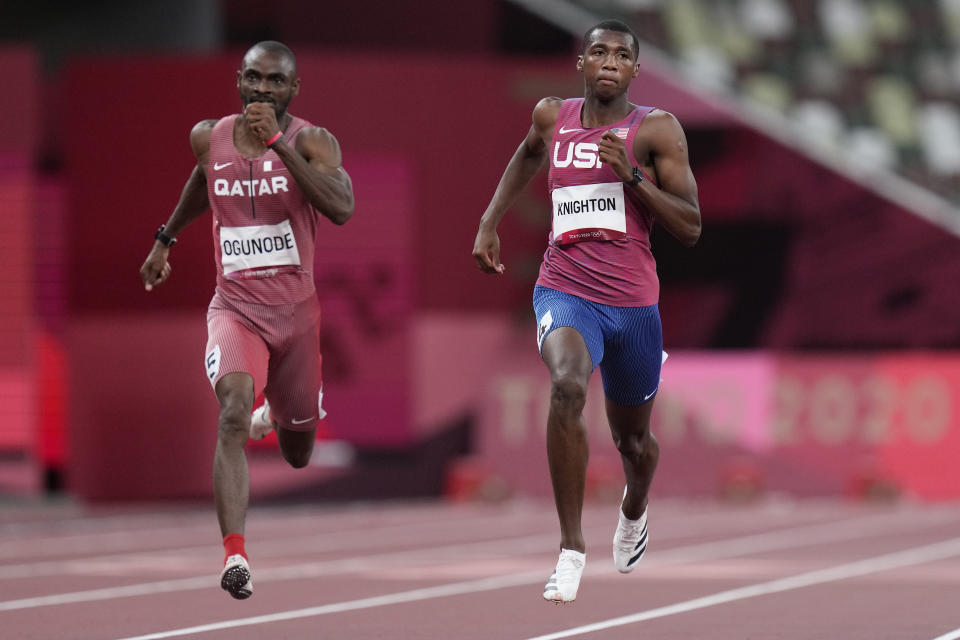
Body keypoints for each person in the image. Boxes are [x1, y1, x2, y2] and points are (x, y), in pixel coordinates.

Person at [472, 19, 701, 603]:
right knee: (568, 385)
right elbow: (527, 156)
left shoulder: (656, 130)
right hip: (564, 287)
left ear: (634, 71)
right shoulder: (553, 115)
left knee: (634, 445)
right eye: (597, 50)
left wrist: (633, 179)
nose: (608, 61)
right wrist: (490, 221)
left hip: (633, 306)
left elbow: (691, 226)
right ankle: (571, 549)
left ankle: (634, 505)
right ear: (581, 62)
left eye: (621, 55)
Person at [139, 41, 354, 600]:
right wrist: (166, 239)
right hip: (234, 309)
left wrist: (280, 145)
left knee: (297, 453)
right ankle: (235, 556)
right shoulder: (207, 136)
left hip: (296, 317)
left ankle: (273, 415)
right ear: (239, 79)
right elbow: (203, 179)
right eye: (254, 79)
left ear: (293, 89)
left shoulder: (311, 140)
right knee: (231, 411)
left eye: (275, 82)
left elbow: (341, 207)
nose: (263, 90)